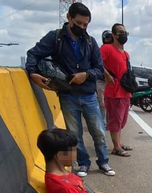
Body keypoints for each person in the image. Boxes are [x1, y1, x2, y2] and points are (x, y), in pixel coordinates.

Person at [26, 2, 115, 177]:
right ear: (69, 18)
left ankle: (103, 162)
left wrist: (86, 75)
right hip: (67, 95)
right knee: (74, 134)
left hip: (89, 95)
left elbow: (99, 68)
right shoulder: (55, 37)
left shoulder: (90, 42)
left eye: (86, 24)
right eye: (79, 23)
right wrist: (32, 73)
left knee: (98, 131)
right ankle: (83, 163)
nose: (82, 27)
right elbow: (33, 54)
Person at [37, 128, 144, 193]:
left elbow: (83, 192)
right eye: (73, 151)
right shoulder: (65, 187)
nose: (76, 154)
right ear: (60, 155)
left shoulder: (63, 175)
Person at [101, 23, 133, 157]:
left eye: (125, 32)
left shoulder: (126, 54)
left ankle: (118, 143)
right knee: (115, 120)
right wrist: (106, 75)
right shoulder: (106, 48)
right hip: (114, 91)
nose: (123, 35)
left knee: (122, 120)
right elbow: (95, 62)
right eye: (120, 32)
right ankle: (116, 147)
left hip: (125, 91)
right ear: (113, 35)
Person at [97, 30, 113, 123]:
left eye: (110, 37)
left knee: (110, 103)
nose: (109, 39)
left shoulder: (115, 50)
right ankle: (103, 121)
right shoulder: (102, 49)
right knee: (102, 103)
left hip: (112, 81)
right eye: (107, 38)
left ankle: (109, 121)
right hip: (101, 80)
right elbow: (98, 64)